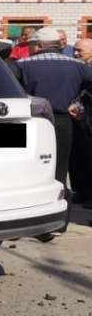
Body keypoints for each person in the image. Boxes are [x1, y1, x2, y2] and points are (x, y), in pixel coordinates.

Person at [9, 26, 92, 193]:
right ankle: (60, 203)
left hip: (31, 121)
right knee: (60, 166)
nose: (29, 49)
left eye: (31, 45)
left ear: (40, 46)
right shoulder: (79, 66)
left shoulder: (21, 66)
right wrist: (78, 105)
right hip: (63, 121)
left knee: (30, 165)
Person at [68, 38, 92, 204]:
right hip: (77, 119)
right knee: (78, 156)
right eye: (74, 50)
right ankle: (81, 191)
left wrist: (78, 105)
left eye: (80, 51)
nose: (75, 53)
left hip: (88, 117)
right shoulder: (76, 66)